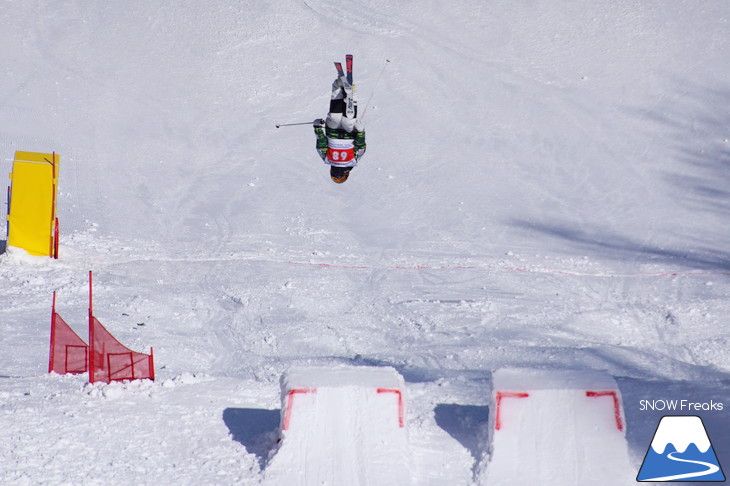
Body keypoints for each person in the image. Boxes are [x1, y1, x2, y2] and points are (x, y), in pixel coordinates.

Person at [313, 76, 366, 183]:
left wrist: (318, 128)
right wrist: (360, 133)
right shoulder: (351, 161)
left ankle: (340, 86)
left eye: (335, 177)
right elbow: (360, 147)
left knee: (337, 117)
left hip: (335, 133)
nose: (338, 175)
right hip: (346, 133)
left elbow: (321, 144)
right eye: (339, 177)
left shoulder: (330, 159)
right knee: (344, 119)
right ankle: (347, 92)